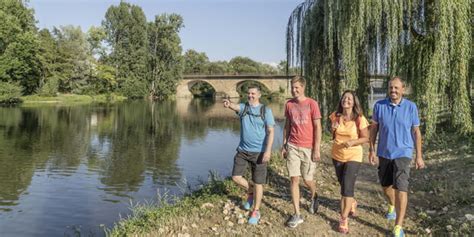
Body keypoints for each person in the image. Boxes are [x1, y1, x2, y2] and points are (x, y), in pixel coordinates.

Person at [369, 77, 425, 237]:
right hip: (384, 153)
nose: (393, 91)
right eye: (391, 88)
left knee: (401, 187)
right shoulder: (379, 106)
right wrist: (371, 150)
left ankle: (398, 226)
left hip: (404, 153)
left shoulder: (411, 107)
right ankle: (392, 204)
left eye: (396, 88)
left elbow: (416, 132)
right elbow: (373, 130)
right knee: (386, 186)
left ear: (403, 89)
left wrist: (419, 156)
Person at [223, 85, 275, 225]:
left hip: (259, 152)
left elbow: (271, 132)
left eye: (253, 93)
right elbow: (235, 106)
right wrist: (228, 105)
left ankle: (256, 211)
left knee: (258, 182)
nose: (250, 96)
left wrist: (268, 150)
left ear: (259, 95)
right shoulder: (244, 108)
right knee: (236, 177)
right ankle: (250, 191)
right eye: (248, 93)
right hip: (243, 150)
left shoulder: (266, 111)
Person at [281, 76, 322, 228]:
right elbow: (287, 125)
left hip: (308, 147)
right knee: (294, 179)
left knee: (307, 179)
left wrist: (316, 148)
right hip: (292, 146)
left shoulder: (312, 104)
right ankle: (297, 214)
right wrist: (284, 144)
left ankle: (314, 195)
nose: (294, 90)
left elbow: (318, 127)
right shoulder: (289, 104)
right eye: (292, 87)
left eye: (297, 87)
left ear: (303, 87)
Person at [329, 90, 369, 234]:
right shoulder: (335, 116)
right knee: (343, 184)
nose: (346, 100)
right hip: (337, 155)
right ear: (341, 101)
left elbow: (366, 138)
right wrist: (332, 129)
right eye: (344, 98)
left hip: (354, 156)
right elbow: (333, 135)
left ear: (354, 102)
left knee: (346, 188)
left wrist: (353, 142)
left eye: (349, 99)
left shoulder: (359, 118)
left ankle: (343, 218)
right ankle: (352, 202)